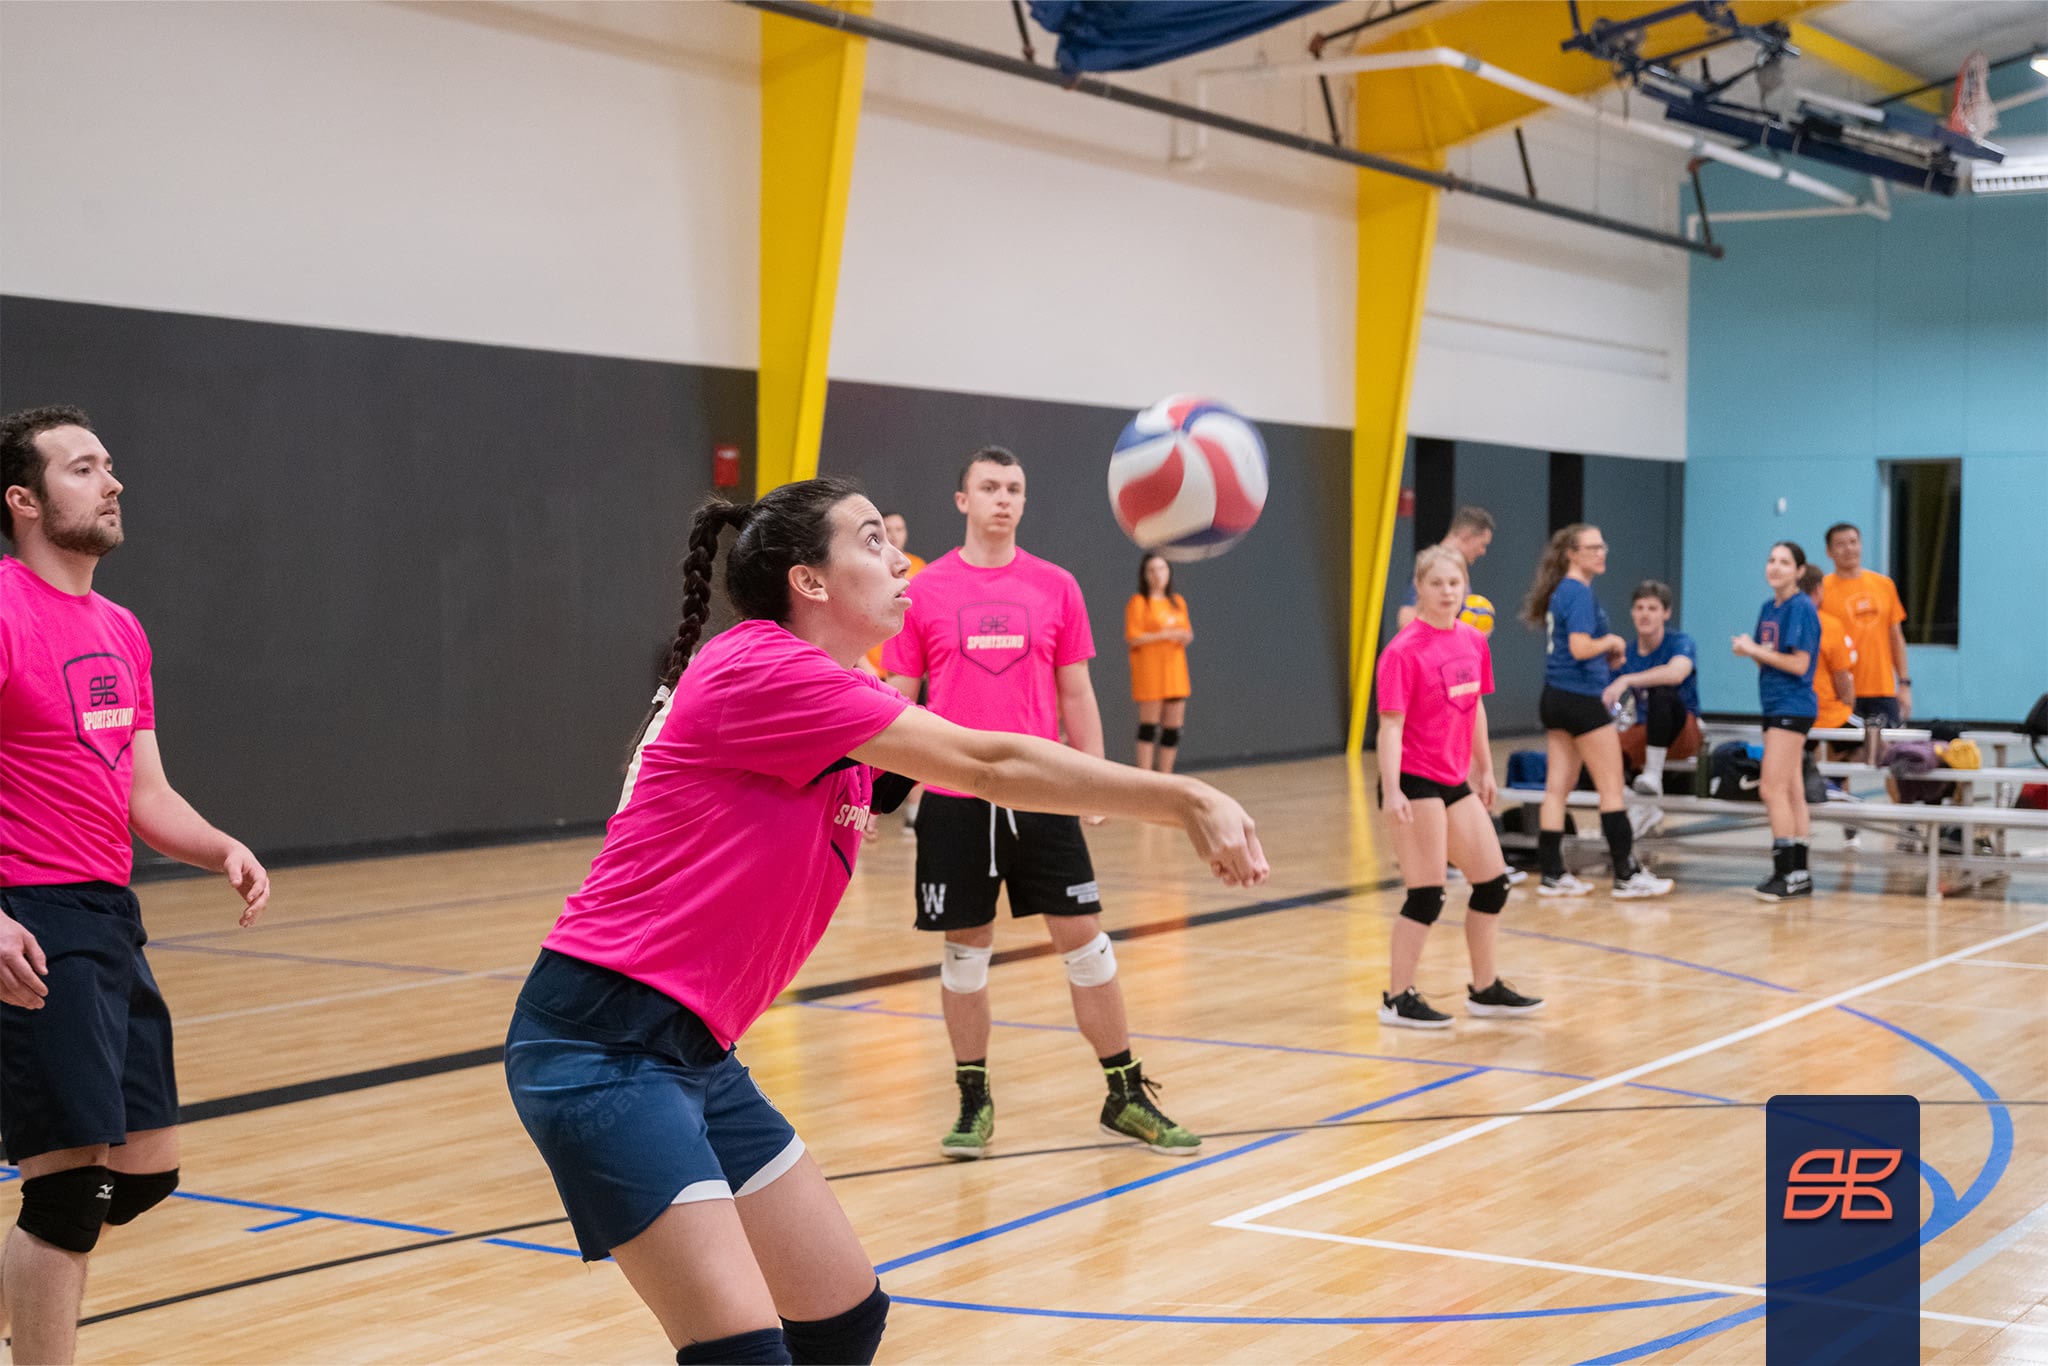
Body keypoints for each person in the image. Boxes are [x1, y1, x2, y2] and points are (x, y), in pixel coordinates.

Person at [504, 478, 1266, 1365]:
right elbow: (986, 761)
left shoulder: (840, 689)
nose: (900, 558)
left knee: (843, 1320)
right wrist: (1183, 797)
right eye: (870, 541)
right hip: (602, 1049)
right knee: (743, 1353)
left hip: (698, 1054)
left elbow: (962, 758)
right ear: (810, 582)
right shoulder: (762, 666)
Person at [0, 406, 271, 1365]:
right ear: (24, 500)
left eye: (110, 464)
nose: (112, 482)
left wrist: (216, 848)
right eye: (84, 469)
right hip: (30, 918)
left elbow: (142, 790)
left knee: (144, 1171)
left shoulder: (122, 628)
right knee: (67, 1195)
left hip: (110, 916)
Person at [884, 446, 1202, 1161]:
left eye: (1014, 488)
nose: (1003, 498)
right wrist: (872, 798)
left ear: (1024, 503)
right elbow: (898, 703)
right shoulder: (925, 590)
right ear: (962, 500)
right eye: (989, 487)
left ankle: (1124, 1095)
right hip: (954, 794)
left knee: (1086, 946)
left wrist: (1093, 779)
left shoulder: (1056, 586)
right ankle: (973, 1098)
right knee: (965, 955)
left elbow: (1077, 692)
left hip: (1042, 792)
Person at [1375, 545, 1542, 1029]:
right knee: (1426, 895)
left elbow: (1474, 710)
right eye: (1437, 584)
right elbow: (1389, 727)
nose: (1448, 592)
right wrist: (1393, 791)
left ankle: (1485, 990)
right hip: (1415, 779)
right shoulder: (1403, 652)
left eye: (1455, 583)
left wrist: (1485, 769)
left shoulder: (1473, 640)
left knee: (1492, 883)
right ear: (1420, 589)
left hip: (1454, 779)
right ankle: (1397, 998)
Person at [1518, 524, 1673, 899]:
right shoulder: (1578, 592)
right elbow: (1580, 646)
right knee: (1611, 788)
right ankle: (1626, 875)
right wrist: (1613, 640)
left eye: (1603, 546)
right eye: (1592, 547)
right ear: (1572, 553)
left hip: (1555, 697)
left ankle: (1553, 874)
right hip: (1581, 699)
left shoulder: (1562, 591)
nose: (1601, 553)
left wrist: (1605, 649)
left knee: (1557, 789)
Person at [1733, 541, 1821, 902]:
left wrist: (1752, 649)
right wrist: (1754, 652)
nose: (1775, 567)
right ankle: (1799, 872)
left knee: (1771, 788)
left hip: (1793, 705)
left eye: (1784, 562)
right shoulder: (1768, 608)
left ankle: (1784, 870)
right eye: (1771, 560)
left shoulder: (1801, 608)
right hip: (1772, 703)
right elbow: (1768, 659)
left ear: (1799, 571)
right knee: (1792, 789)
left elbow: (1799, 664)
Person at [1602, 580, 1700, 796]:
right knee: (1599, 750)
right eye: (1639, 608)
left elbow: (1676, 673)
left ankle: (1653, 774)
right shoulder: (1626, 652)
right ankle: (1629, 802)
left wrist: (1626, 680)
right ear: (1632, 613)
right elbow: (1603, 693)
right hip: (1644, 727)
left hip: (1682, 729)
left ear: (1666, 613)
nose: (1645, 614)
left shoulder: (1680, 642)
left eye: (1652, 608)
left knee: (1661, 693)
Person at [1819, 522, 1910, 725]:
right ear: (1829, 551)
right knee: (1844, 753)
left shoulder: (1884, 585)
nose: (1849, 549)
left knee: (1885, 752)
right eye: (1841, 544)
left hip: (1882, 689)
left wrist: (1904, 684)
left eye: (1853, 542)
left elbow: (1896, 638)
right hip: (1841, 693)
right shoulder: (1822, 590)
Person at [1800, 562, 1860, 846]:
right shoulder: (1830, 625)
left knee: (1799, 768)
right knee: (1865, 751)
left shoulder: (1786, 621)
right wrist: (1847, 705)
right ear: (1819, 590)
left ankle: (1799, 828)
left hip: (1796, 714)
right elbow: (1842, 676)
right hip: (1827, 713)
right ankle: (1849, 826)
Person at [1125, 552, 1192, 772]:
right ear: (1145, 574)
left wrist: (1178, 635)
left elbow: (1186, 633)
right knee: (1149, 726)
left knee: (1172, 728)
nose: (1157, 575)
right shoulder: (1139, 603)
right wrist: (1164, 634)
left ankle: (1166, 775)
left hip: (1174, 672)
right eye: (1152, 570)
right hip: (1151, 671)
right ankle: (1145, 775)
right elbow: (1134, 636)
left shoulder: (1177, 602)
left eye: (1162, 569)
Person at [1395, 505, 1494, 631]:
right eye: (1482, 544)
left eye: (1453, 583)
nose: (1483, 551)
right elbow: (1406, 620)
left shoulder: (1452, 566)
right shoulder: (1434, 566)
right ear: (1467, 536)